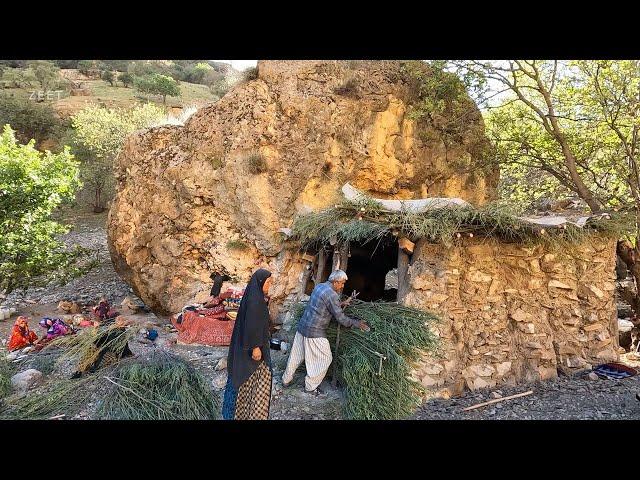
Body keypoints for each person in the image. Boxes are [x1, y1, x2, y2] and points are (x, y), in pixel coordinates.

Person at [282, 269, 369, 395]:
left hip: (302, 327)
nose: (342, 286)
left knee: (296, 356)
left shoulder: (320, 287)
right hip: (315, 332)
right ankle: (311, 387)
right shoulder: (332, 295)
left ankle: (286, 380)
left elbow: (324, 304)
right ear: (335, 282)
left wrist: (341, 303)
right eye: (342, 283)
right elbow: (341, 319)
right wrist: (356, 323)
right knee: (326, 358)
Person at [222, 268, 273, 420]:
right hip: (253, 351)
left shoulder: (254, 297)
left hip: (249, 348)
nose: (270, 285)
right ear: (260, 282)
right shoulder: (255, 301)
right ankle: (247, 415)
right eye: (268, 282)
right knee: (251, 381)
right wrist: (256, 347)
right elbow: (251, 324)